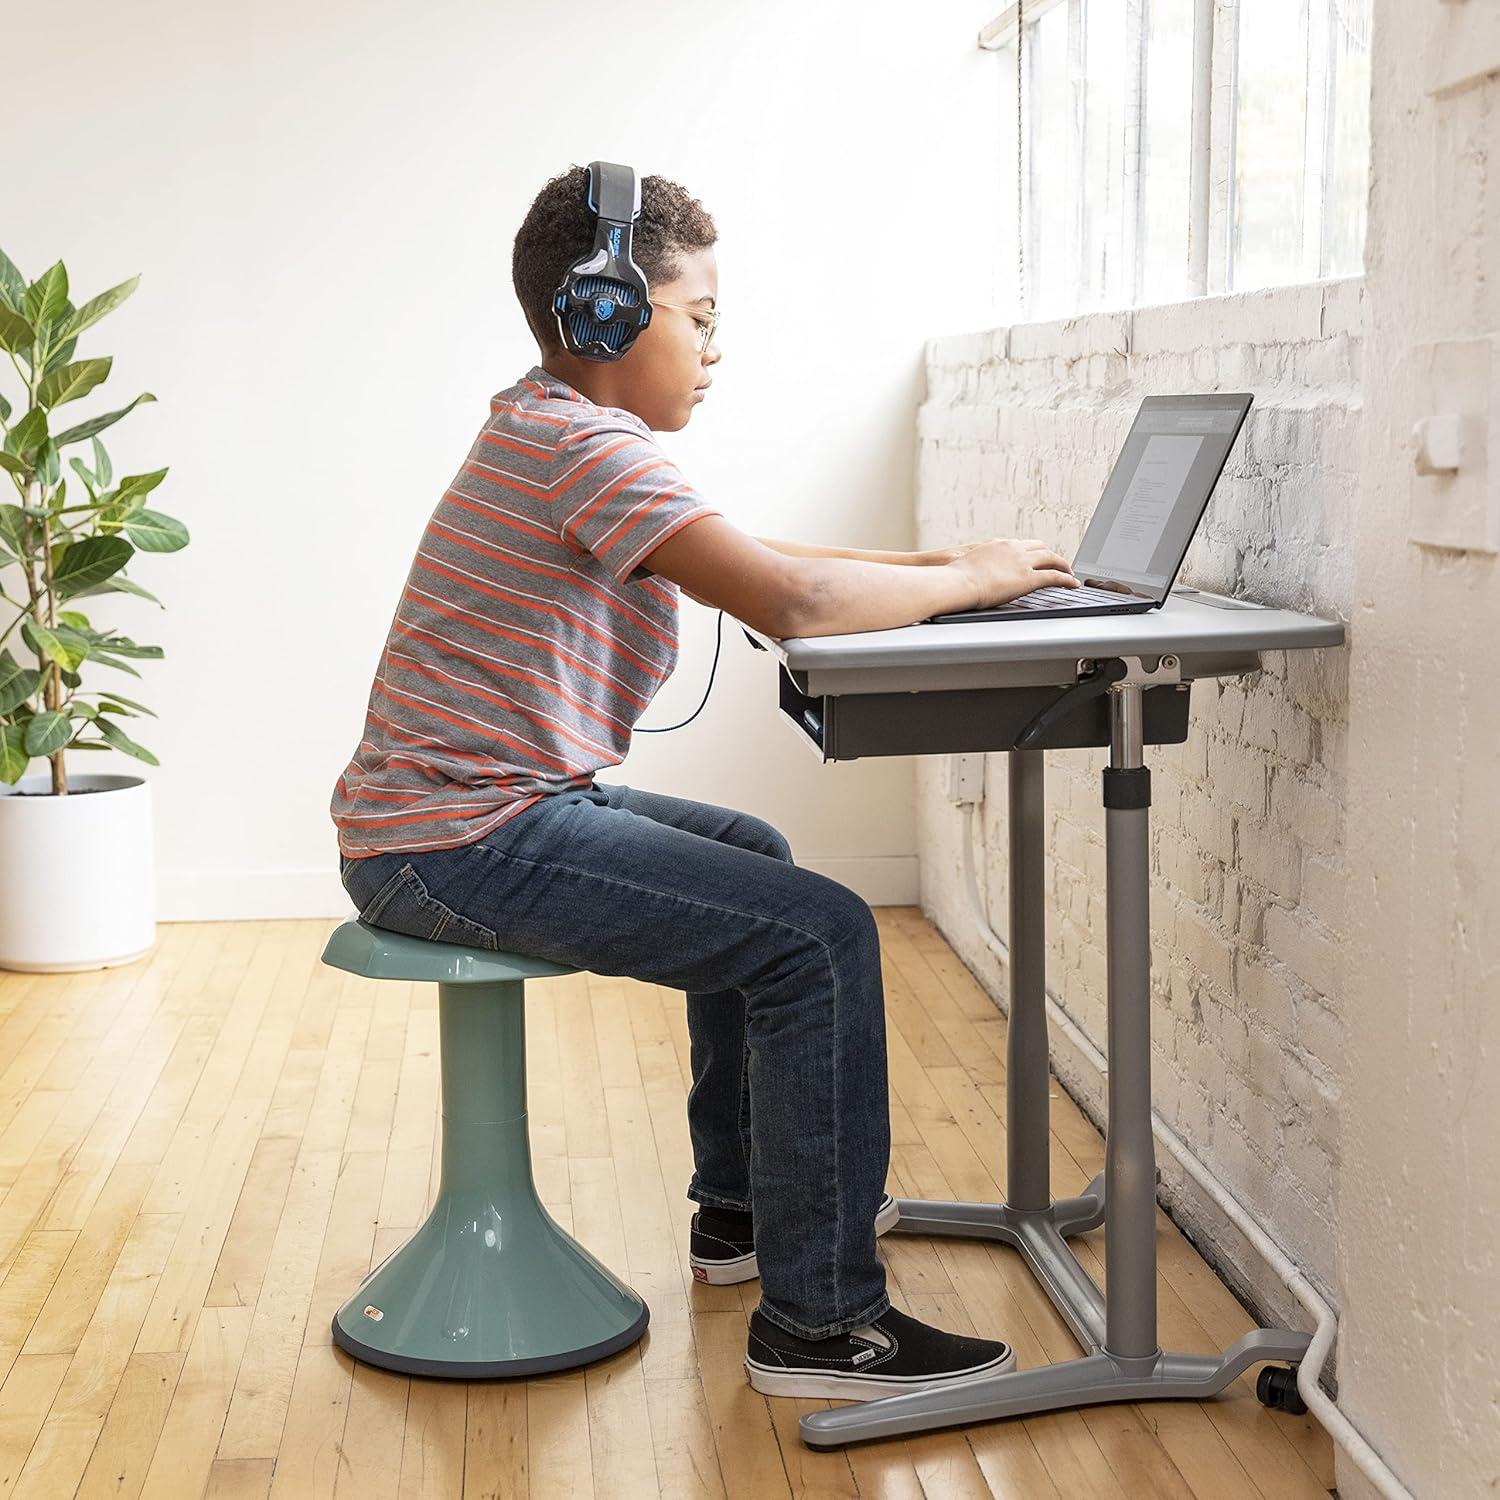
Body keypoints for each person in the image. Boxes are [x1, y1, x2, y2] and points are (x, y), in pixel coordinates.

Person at [330, 165, 1079, 1398]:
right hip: (452, 842)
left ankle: (740, 1215)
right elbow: (792, 600)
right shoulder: (577, 444)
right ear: (606, 315)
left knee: (756, 857)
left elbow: (762, 551)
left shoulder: (558, 428)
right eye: (703, 317)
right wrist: (975, 582)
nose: (718, 347)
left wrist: (951, 561)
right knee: (822, 934)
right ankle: (823, 1324)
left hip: (469, 819)